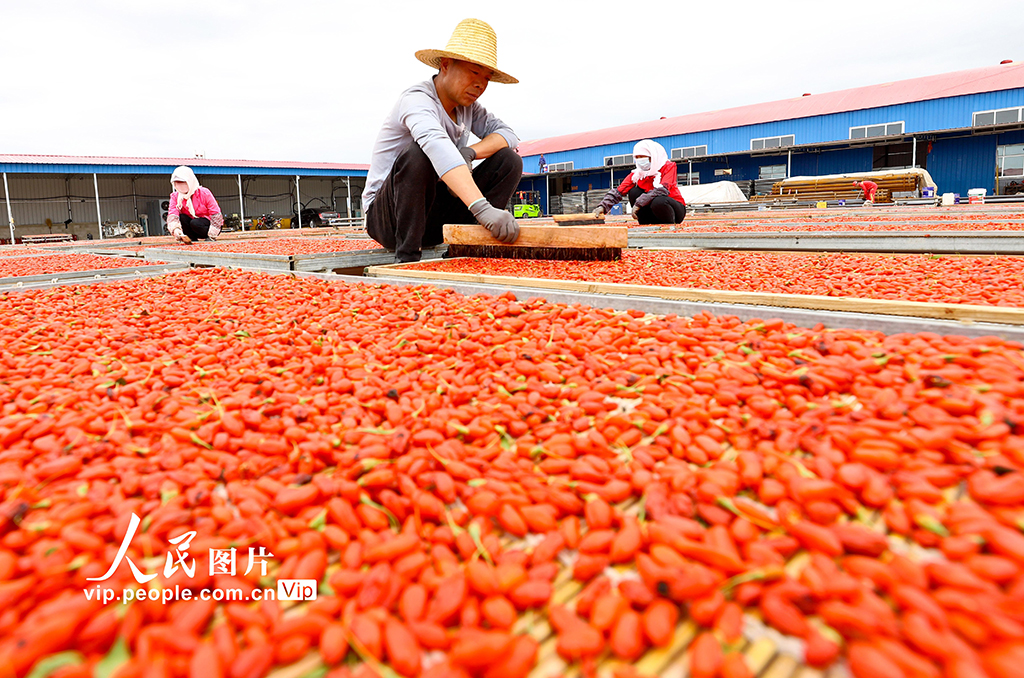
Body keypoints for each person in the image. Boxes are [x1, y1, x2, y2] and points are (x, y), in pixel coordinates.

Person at [363, 18, 522, 263]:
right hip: (390, 219)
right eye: (474, 71)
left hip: (432, 217)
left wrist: (469, 152)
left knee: (509, 160)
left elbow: (508, 135)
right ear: (446, 65)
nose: (480, 83)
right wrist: (482, 208)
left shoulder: (468, 109)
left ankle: (468, 248)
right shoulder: (417, 100)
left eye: (487, 77)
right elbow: (435, 144)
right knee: (420, 153)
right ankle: (407, 258)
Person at [593, 140, 686, 224]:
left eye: (642, 156)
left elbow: (663, 190)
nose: (640, 160)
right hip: (653, 212)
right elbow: (619, 191)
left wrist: (639, 203)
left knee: (659, 201)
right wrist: (603, 207)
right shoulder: (637, 174)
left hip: (674, 210)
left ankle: (668, 225)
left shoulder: (668, 167)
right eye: (637, 157)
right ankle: (645, 222)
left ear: (652, 156)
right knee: (634, 192)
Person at [167, 166, 223, 244]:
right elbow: (173, 214)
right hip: (192, 226)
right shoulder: (175, 197)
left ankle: (208, 237)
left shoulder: (204, 193)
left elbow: (215, 213)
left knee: (195, 223)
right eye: (177, 182)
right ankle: (191, 239)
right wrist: (176, 231)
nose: (180, 185)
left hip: (207, 225)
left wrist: (212, 234)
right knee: (182, 218)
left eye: (183, 182)